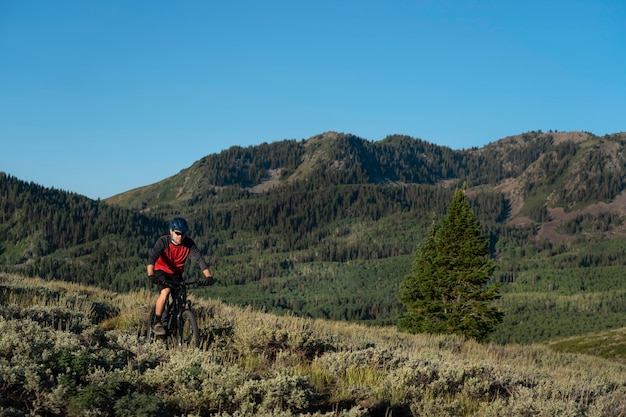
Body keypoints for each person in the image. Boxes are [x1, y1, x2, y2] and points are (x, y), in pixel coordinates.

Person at [147, 217, 214, 335]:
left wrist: (208, 277)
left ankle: (176, 328)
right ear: (171, 231)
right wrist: (151, 275)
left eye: (183, 234)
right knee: (166, 291)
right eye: (177, 233)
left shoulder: (188, 243)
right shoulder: (163, 241)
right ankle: (157, 323)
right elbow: (152, 259)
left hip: (177, 275)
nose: (180, 236)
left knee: (182, 302)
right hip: (161, 271)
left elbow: (199, 259)